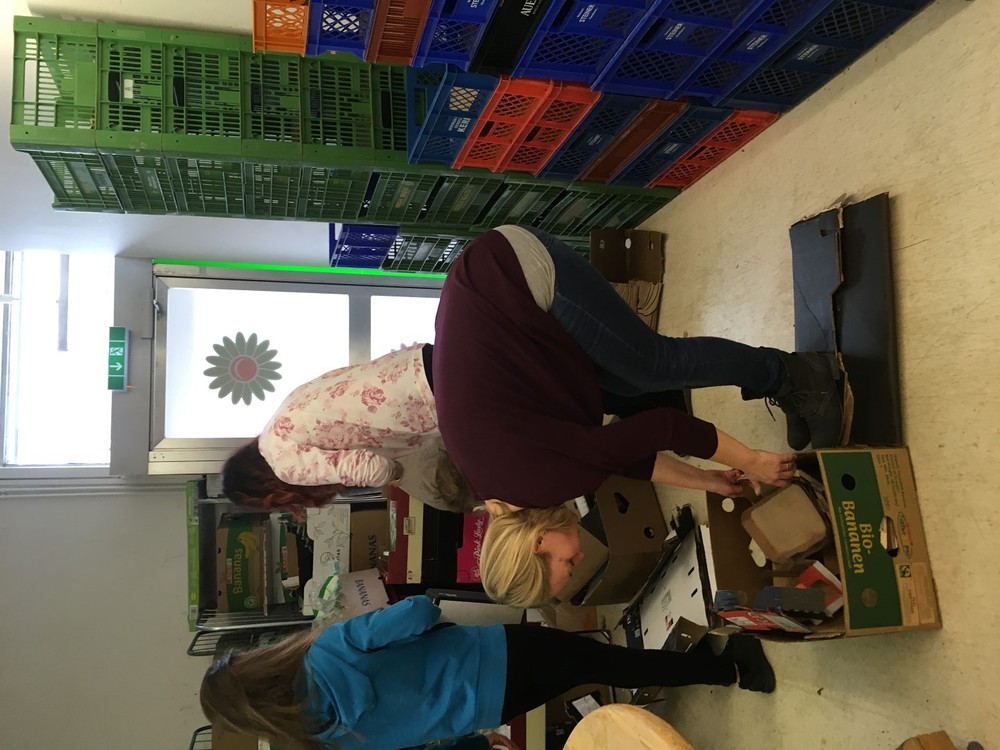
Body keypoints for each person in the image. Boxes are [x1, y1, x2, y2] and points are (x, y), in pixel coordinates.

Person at [431, 225, 848, 607]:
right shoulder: (505, 494)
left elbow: (662, 427)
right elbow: (617, 456)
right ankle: (785, 383)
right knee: (627, 382)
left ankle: (799, 376)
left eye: (568, 564)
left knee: (654, 365)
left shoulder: (539, 480)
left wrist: (751, 460)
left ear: (539, 543)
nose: (580, 557)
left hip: (513, 270)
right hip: (489, 286)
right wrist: (709, 480)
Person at [200, 595, 776, 750]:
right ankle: (729, 669)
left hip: (491, 707)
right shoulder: (329, 649)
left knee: (591, 671)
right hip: (493, 652)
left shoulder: (327, 740)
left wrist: (474, 742)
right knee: (608, 661)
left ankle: (705, 664)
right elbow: (418, 613)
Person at [221, 343, 477, 516]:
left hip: (427, 399)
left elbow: (375, 469)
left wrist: (397, 475)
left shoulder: (284, 464)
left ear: (266, 491)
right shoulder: (282, 415)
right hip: (419, 362)